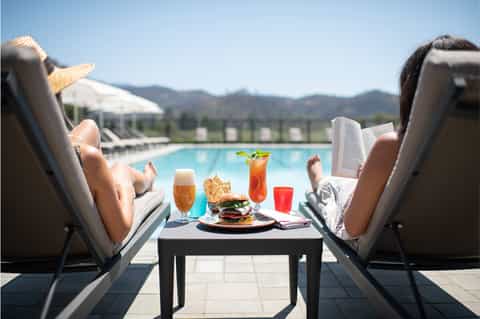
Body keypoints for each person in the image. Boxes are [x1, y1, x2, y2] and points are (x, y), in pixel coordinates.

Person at [307, 35, 478, 240]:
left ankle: (319, 181)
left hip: (399, 242)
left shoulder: (394, 146)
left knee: (336, 185)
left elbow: (352, 228)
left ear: (413, 93)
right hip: (465, 242)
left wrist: (365, 181)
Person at [6, 36, 158, 243]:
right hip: (69, 240)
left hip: (15, 243)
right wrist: (126, 190)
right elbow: (119, 232)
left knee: (90, 126)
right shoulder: (87, 159)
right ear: (51, 101)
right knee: (121, 171)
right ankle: (145, 180)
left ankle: (138, 180)